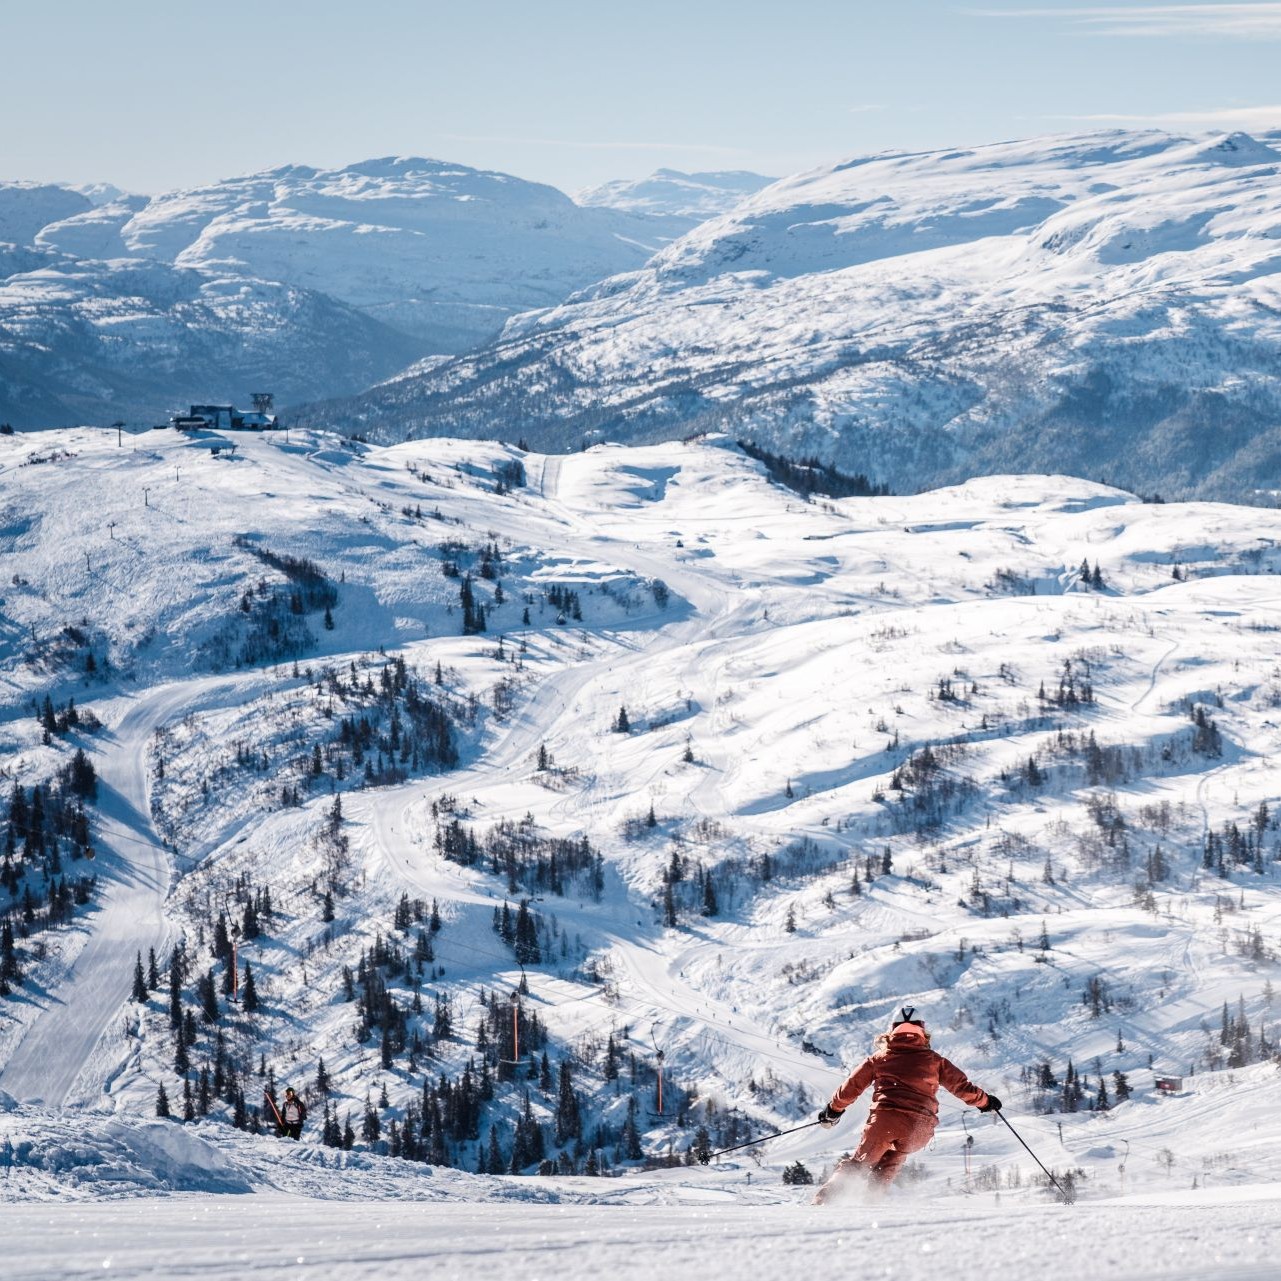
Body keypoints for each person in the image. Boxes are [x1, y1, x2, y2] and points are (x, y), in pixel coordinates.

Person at [812, 1007, 1000, 1203]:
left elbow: (851, 1087)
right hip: (919, 1129)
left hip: (885, 1122)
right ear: (923, 1033)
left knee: (859, 1164)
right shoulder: (935, 1061)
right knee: (889, 1164)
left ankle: (822, 1201)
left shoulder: (879, 1059)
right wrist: (986, 1102)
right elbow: (962, 1087)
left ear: (892, 1032)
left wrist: (833, 1110)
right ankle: (871, 1203)